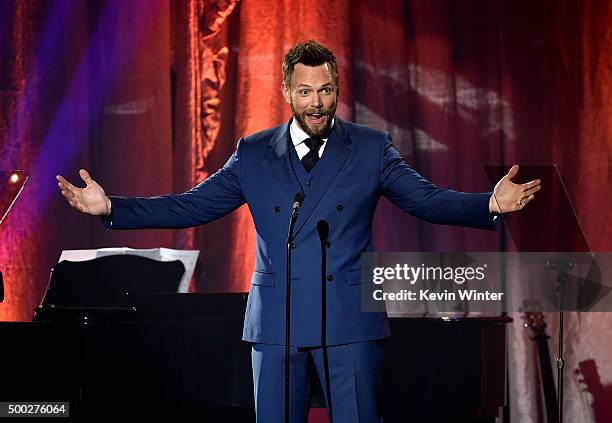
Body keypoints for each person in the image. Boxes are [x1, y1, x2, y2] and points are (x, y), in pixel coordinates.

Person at [57, 40, 540, 422]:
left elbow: (425, 198)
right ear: (287, 92)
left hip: (348, 324)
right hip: (276, 326)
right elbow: (190, 206)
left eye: (326, 90)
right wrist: (113, 207)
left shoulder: (370, 148)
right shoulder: (253, 153)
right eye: (305, 91)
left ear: (338, 90)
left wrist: (489, 203)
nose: (317, 102)